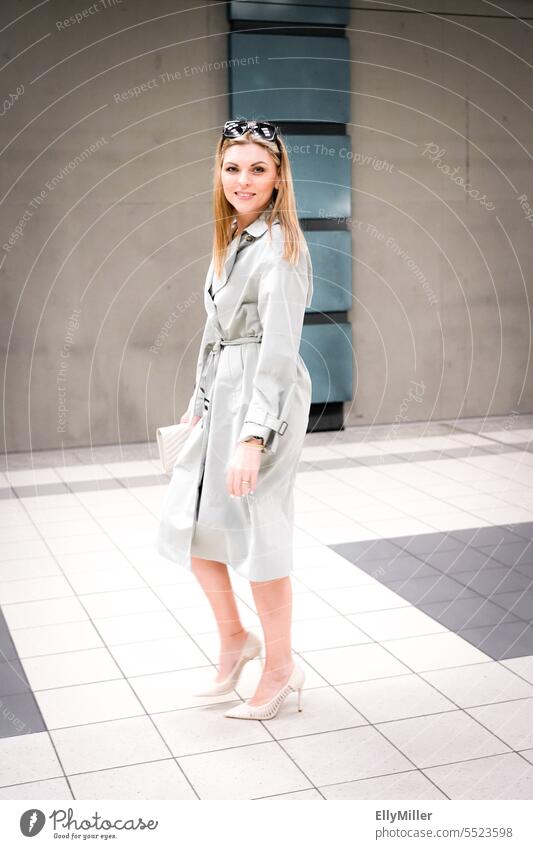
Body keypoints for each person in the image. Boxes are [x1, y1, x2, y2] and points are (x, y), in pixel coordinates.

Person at [157, 119, 313, 720]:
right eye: (232, 168)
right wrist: (199, 401)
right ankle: (234, 638)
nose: (242, 180)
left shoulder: (280, 248)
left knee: (259, 538)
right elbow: (214, 332)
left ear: (278, 180)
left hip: (261, 403)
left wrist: (253, 436)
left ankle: (280, 668)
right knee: (191, 521)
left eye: (257, 169)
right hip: (221, 397)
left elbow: (277, 351)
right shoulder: (233, 239)